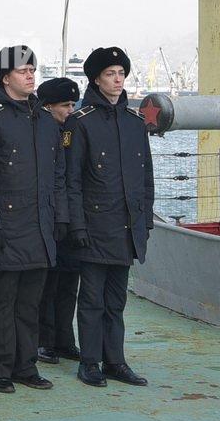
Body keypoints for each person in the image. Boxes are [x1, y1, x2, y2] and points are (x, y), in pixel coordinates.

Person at [64, 47, 155, 389]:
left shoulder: (134, 122)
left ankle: (115, 360)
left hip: (127, 226)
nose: (117, 81)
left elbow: (146, 175)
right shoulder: (80, 121)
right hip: (93, 226)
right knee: (91, 299)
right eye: (109, 74)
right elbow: (71, 180)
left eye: (121, 74)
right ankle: (90, 362)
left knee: (116, 300)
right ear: (96, 79)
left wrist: (144, 220)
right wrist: (77, 225)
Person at [0, 45, 61, 395]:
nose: (30, 76)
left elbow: (59, 175)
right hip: (7, 227)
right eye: (23, 71)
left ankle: (26, 365)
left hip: (40, 226)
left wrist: (61, 219)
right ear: (5, 77)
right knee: (0, 304)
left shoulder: (43, 119)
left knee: (29, 304)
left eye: (32, 70)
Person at [35, 75, 83, 367]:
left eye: (73, 104)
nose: (70, 110)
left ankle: (64, 339)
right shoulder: (42, 133)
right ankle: (45, 341)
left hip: (69, 218)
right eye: (65, 105)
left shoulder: (75, 131)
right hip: (48, 219)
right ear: (48, 106)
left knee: (68, 283)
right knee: (47, 286)